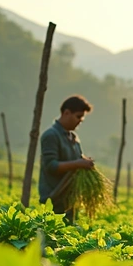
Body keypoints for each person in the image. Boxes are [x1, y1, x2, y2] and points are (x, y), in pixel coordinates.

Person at [39, 95, 95, 223]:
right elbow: (51, 166)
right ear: (66, 112)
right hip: (54, 199)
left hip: (69, 200)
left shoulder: (74, 138)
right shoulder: (51, 135)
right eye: (78, 116)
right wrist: (78, 164)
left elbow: (77, 160)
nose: (81, 120)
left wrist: (85, 162)